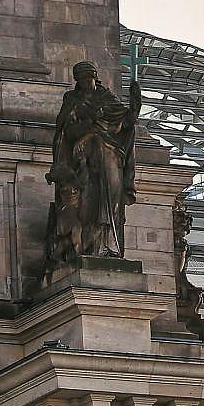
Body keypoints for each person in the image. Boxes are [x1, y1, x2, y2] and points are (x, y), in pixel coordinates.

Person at [45, 61, 141, 270]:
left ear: (95, 77)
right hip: (85, 163)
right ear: (78, 82)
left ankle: (109, 247)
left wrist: (136, 102)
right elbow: (66, 132)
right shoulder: (72, 101)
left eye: (90, 78)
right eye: (83, 79)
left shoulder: (107, 98)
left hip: (111, 157)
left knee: (112, 202)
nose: (87, 83)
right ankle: (87, 247)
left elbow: (126, 123)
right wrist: (90, 126)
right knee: (88, 205)